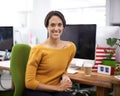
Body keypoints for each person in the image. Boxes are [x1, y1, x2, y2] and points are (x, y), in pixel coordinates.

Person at [24, 10, 76, 96]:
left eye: (59, 25)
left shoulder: (70, 48)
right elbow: (29, 83)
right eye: (52, 25)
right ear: (47, 27)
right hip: (37, 90)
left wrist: (65, 76)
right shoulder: (38, 49)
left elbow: (64, 70)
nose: (56, 28)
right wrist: (58, 88)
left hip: (56, 89)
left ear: (63, 27)